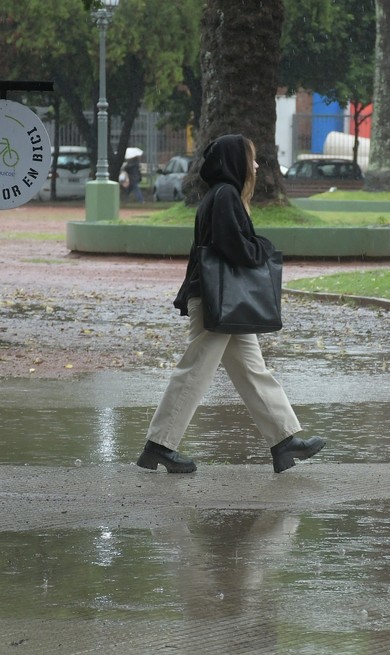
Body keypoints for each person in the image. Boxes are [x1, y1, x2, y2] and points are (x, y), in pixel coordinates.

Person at [137, 134, 325, 474]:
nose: (255, 166)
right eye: (250, 159)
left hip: (223, 302)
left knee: (253, 371)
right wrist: (263, 250)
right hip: (216, 301)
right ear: (235, 161)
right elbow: (234, 247)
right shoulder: (225, 195)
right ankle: (159, 445)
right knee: (195, 371)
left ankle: (284, 442)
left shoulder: (220, 195)